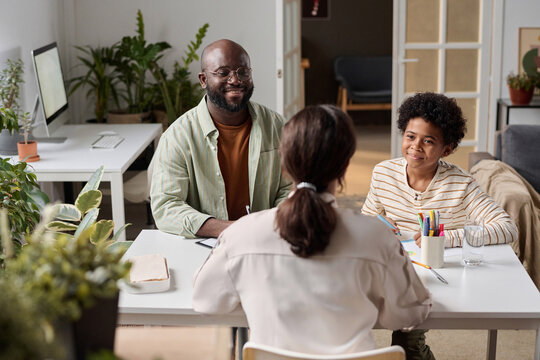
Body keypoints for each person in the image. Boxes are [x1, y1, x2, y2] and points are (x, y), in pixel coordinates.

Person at [192, 105, 431, 354]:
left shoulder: (241, 234)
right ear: (345, 166)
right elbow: (408, 314)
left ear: (284, 162)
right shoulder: (377, 237)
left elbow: (205, 301)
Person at [362, 92, 518, 360]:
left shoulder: (461, 184)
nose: (415, 146)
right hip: (394, 270)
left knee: (406, 341)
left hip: (441, 275)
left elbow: (506, 228)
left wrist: (447, 238)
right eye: (410, 136)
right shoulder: (383, 173)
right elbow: (366, 219)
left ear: (447, 149)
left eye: (428, 141)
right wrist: (377, 225)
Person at [150, 39, 291, 238]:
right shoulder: (178, 136)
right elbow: (166, 207)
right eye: (223, 73)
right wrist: (232, 230)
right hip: (204, 247)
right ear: (203, 80)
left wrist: (272, 224)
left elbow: (291, 187)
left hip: (267, 239)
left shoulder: (278, 127)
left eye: (243, 71)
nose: (235, 80)